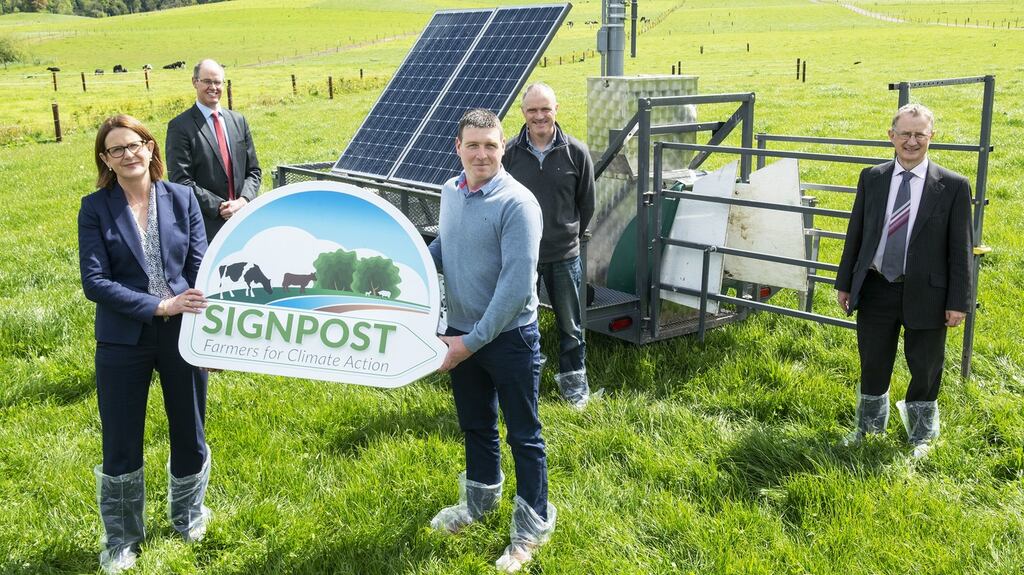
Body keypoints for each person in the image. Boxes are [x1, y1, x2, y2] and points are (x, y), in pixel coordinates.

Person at [79, 115, 213, 573]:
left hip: (183, 334)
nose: (128, 155)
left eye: (134, 145)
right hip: (123, 339)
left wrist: (193, 315)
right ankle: (121, 540)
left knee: (189, 430)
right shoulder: (95, 208)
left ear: (150, 148)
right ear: (106, 161)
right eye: (116, 150)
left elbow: (200, 265)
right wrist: (159, 306)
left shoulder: (182, 197)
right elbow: (95, 282)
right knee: (120, 439)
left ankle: (189, 516)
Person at [428, 109, 555, 573]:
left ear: (503, 148)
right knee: (476, 425)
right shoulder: (450, 192)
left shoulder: (517, 204)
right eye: (473, 145)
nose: (481, 153)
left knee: (524, 434)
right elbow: (446, 246)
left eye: (491, 145)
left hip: (507, 338)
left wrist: (470, 343)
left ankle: (531, 527)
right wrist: (413, 262)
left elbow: (516, 285)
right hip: (462, 333)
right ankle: (479, 502)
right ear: (457, 148)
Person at [835, 103, 973, 458]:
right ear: (891, 136)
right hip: (877, 285)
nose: (912, 142)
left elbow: (960, 249)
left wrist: (958, 301)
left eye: (919, 135)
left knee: (926, 365)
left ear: (932, 137)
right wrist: (846, 282)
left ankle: (921, 436)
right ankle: (868, 429)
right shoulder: (873, 178)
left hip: (928, 293)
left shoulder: (953, 186)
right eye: (905, 134)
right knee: (873, 359)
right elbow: (857, 233)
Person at [503, 83, 596, 409]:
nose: (540, 116)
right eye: (533, 110)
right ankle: (525, 384)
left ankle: (574, 387)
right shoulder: (509, 154)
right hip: (520, 257)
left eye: (545, 109)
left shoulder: (576, 152)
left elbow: (587, 205)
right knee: (519, 325)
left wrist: (567, 235)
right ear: (523, 113)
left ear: (556, 109)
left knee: (571, 326)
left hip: (564, 256)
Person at [165, 58, 261, 241]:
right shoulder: (180, 126)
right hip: (206, 226)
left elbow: (254, 171)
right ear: (195, 82)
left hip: (244, 220)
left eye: (217, 82)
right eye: (207, 81)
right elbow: (180, 180)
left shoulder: (239, 121)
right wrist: (220, 207)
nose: (213, 87)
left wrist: (243, 201)